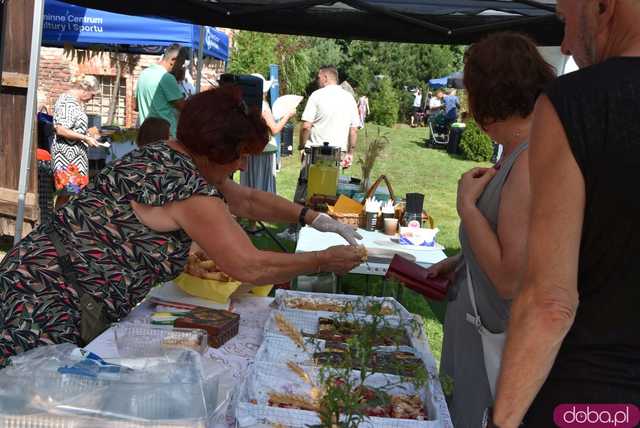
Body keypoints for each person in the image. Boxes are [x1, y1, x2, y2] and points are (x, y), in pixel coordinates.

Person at [0, 85, 364, 368]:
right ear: (214, 149)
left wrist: (313, 217)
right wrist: (321, 261)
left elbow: (247, 200)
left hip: (32, 273)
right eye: (238, 155)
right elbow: (248, 265)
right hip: (46, 300)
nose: (240, 165)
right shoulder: (187, 188)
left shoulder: (166, 154)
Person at [491, 1, 640, 427]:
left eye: (566, 19)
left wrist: (501, 422)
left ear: (603, 5)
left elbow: (551, 303)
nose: (567, 44)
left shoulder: (579, 102)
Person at [424, 32, 555, 427]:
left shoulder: (528, 162)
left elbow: (510, 277)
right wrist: (464, 259)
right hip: (478, 338)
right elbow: (525, 244)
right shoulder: (522, 152)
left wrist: (467, 208)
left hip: (493, 345)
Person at [294, 65, 360, 202]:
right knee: (330, 194)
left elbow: (306, 126)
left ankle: (301, 222)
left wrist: (301, 146)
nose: (317, 80)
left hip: (315, 153)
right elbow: (353, 130)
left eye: (318, 77)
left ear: (325, 78)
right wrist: (350, 153)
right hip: (337, 154)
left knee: (307, 192)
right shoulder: (349, 98)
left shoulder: (317, 95)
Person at [240, 73, 296, 211]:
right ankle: (254, 220)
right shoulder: (263, 106)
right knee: (259, 183)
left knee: (248, 182)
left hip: (248, 147)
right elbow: (275, 129)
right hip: (262, 149)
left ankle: (244, 215)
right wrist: (288, 115)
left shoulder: (243, 103)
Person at [51, 74, 100, 209]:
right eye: (92, 95)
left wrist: (89, 133)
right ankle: (58, 225)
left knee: (73, 194)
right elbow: (60, 129)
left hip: (75, 159)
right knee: (66, 194)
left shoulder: (78, 103)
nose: (92, 99)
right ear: (85, 89)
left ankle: (65, 223)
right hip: (67, 157)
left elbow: (74, 129)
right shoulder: (67, 102)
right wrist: (85, 138)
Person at [135, 43, 186, 137]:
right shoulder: (167, 77)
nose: (180, 68)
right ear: (173, 60)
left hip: (145, 135)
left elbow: (136, 107)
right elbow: (184, 108)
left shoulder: (143, 74)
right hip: (165, 136)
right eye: (181, 64)